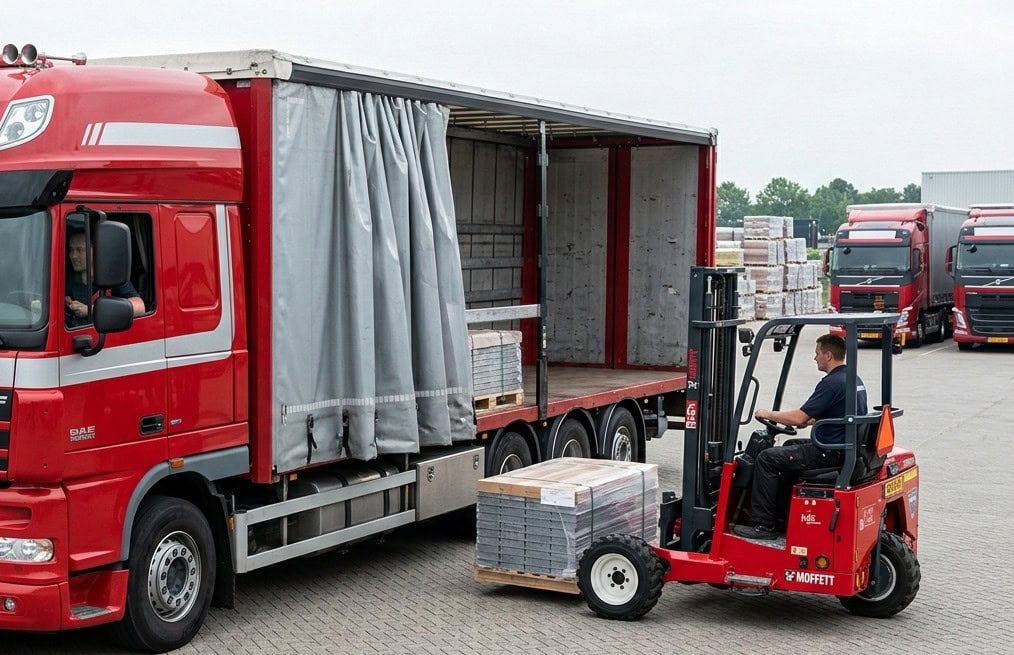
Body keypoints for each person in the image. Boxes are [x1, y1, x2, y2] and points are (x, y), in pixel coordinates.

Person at [733, 333, 867, 540]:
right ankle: (783, 516)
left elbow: (799, 417)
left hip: (829, 451)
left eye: (817, 353)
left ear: (828, 355)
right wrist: (812, 420)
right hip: (841, 445)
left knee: (767, 459)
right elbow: (831, 412)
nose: (815, 358)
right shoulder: (851, 378)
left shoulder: (831, 383)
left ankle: (763, 525)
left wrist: (767, 414)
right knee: (790, 444)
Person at [65, 230, 145, 327]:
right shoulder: (69, 281)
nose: (74, 256)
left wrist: (91, 309)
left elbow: (140, 306)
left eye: (80, 250)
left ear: (95, 250)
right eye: (71, 250)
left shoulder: (111, 277)